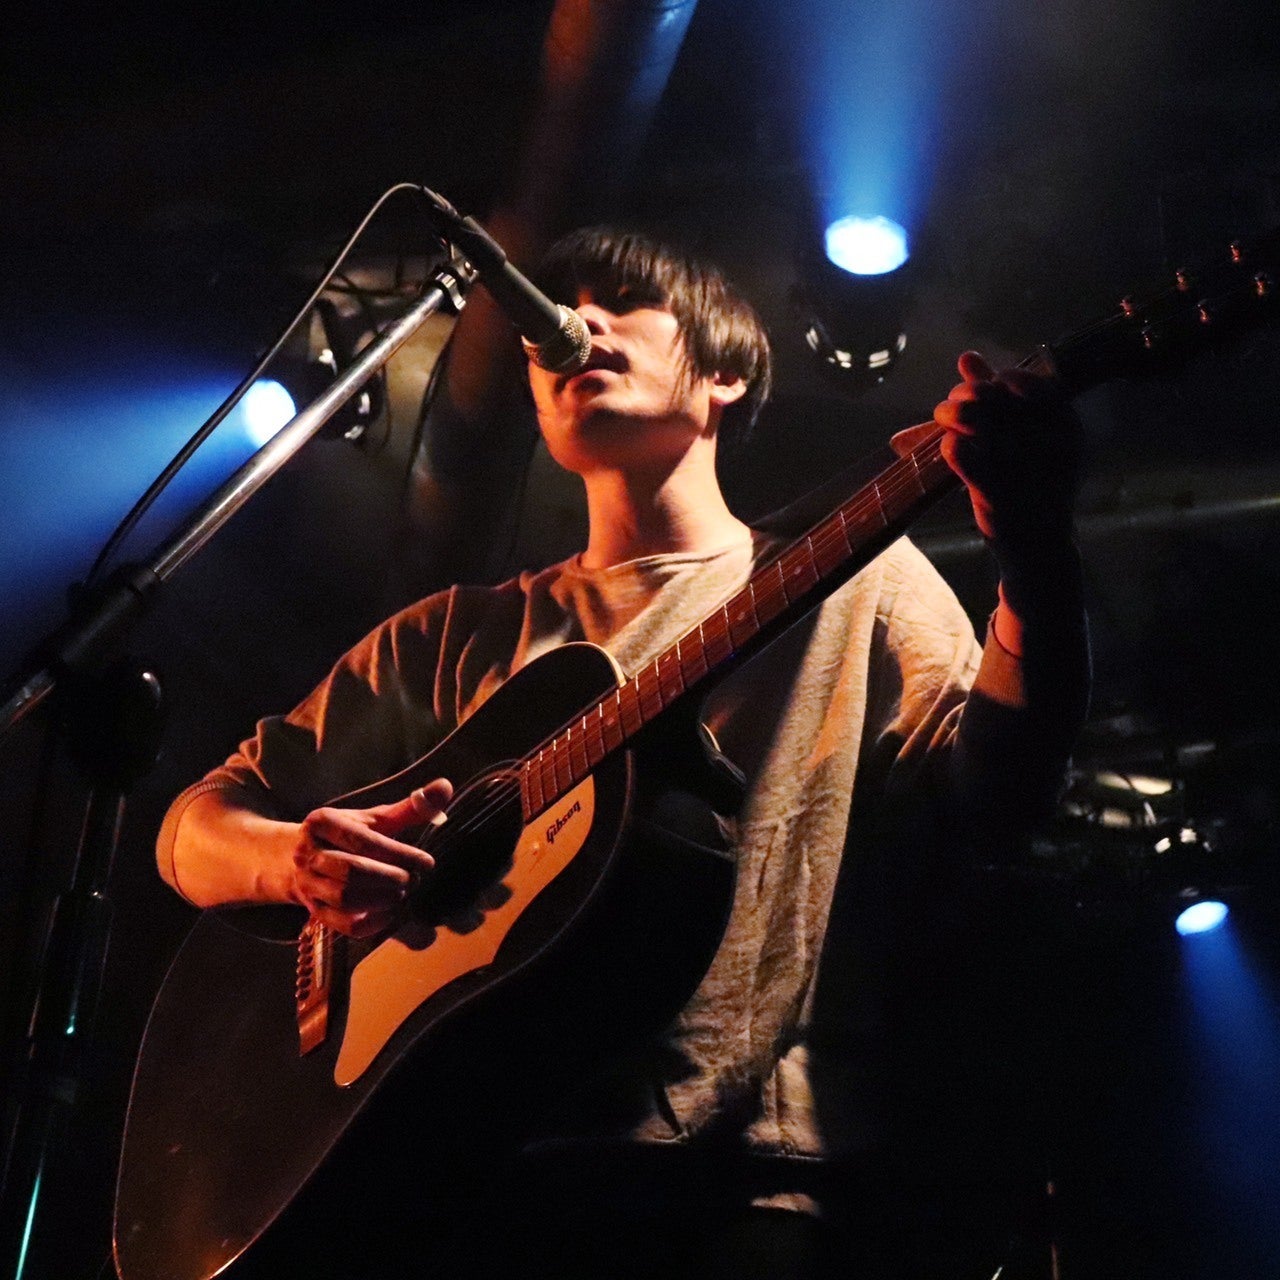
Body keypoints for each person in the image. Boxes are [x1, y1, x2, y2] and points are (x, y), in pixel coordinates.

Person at [155, 227, 1088, 1278]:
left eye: (623, 300)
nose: (576, 323)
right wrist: (292, 861)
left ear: (725, 375)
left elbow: (1001, 790)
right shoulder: (451, 637)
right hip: (471, 1186)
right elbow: (191, 830)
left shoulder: (857, 574)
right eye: (557, 312)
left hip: (750, 1184)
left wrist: (1035, 554)